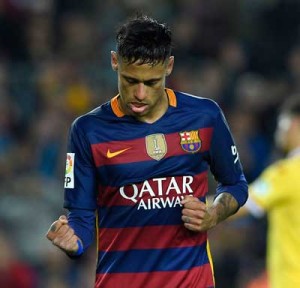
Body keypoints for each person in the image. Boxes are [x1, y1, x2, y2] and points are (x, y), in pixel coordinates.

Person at [46, 15, 248, 288]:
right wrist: (73, 242)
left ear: (169, 66)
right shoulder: (87, 131)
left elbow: (236, 184)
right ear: (114, 61)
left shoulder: (204, 116)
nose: (140, 93)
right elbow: (80, 217)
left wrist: (214, 214)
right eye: (130, 80)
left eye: (151, 83)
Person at [237, 95, 300, 288]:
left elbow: (238, 203)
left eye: (283, 122)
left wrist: (188, 206)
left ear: (295, 123)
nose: (278, 130)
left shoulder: (288, 172)